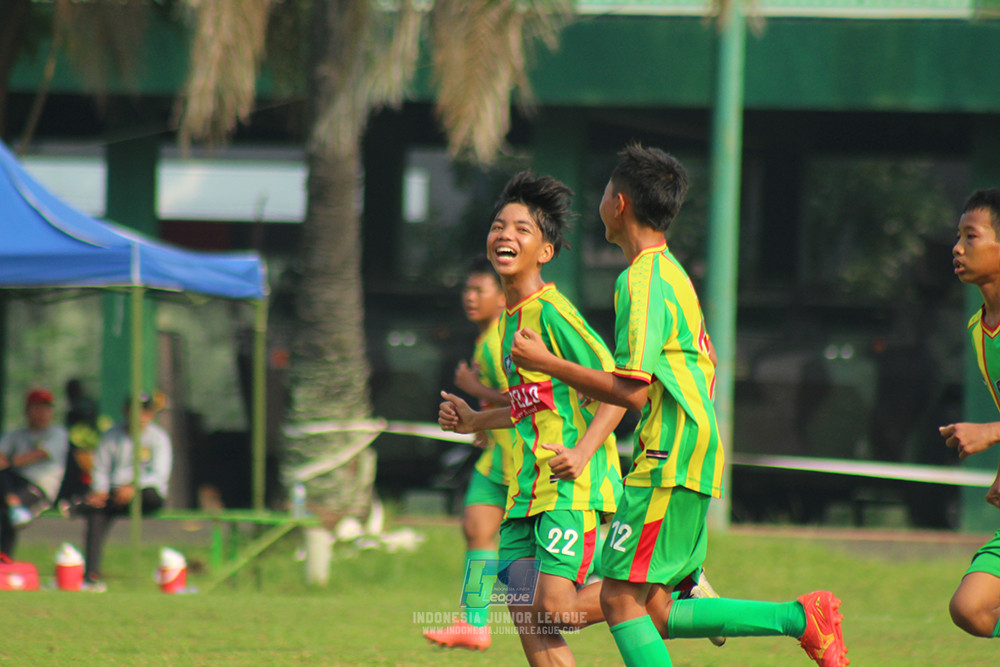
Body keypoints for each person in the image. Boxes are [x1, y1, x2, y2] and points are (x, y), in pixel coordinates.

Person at [509, 143, 848, 666]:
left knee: (619, 600)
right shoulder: (671, 272)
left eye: (604, 191)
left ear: (618, 204)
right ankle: (801, 618)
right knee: (658, 611)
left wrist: (549, 363)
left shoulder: (639, 281)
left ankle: (803, 617)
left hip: (670, 455)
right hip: (691, 450)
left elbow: (632, 390)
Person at [439, 171, 625, 666]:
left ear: (545, 251)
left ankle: (660, 583)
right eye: (500, 225)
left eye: (523, 229)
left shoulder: (554, 313)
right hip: (525, 488)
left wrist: (583, 452)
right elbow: (532, 404)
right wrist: (476, 421)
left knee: (556, 608)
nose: (506, 235)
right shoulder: (508, 323)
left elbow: (620, 388)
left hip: (570, 483)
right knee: (524, 611)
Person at [423, 256, 517, 650]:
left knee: (543, 561)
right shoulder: (485, 338)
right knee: (477, 527)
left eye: (480, 290)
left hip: (526, 462)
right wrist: (482, 425)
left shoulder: (501, 339)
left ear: (501, 297)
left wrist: (474, 392)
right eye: (467, 289)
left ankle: (666, 585)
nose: (470, 297)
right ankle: (474, 624)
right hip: (497, 458)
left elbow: (529, 400)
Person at [940, 187, 1000, 639]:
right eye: (958, 237)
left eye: (971, 236)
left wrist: (990, 432)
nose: (958, 248)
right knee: (971, 608)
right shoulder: (979, 331)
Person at [80, 392, 172, 591]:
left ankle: (78, 506)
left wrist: (133, 487)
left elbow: (159, 474)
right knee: (96, 513)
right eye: (136, 410)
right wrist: (101, 490)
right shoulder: (111, 436)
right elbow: (101, 468)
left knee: (147, 495)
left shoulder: (158, 438)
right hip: (115, 494)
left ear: (151, 414)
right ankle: (91, 577)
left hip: (146, 493)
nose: (140, 416)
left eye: (145, 411)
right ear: (126, 411)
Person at [0, 388, 69, 556]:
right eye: (37, 408)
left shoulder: (57, 434)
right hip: (12, 483)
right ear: (27, 411)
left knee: (6, 514)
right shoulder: (16, 434)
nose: (43, 413)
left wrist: (9, 462)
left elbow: (39, 455)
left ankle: (4, 559)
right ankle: (14, 505)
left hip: (38, 487)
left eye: (47, 408)